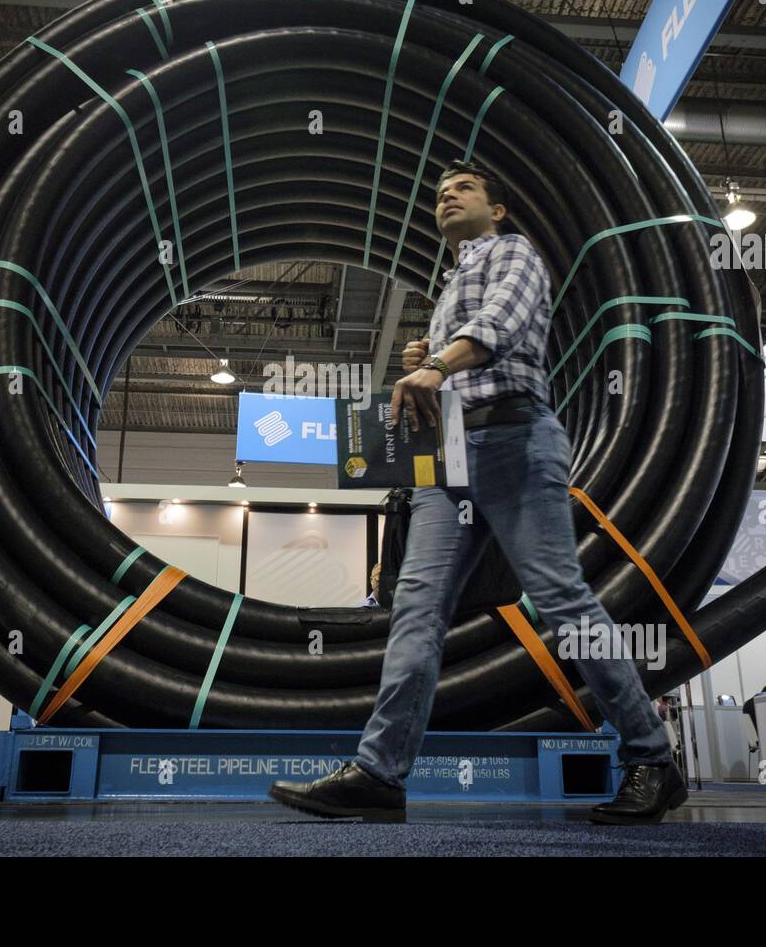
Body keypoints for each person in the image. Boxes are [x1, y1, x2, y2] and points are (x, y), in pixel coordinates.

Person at [269, 159, 681, 825]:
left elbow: (503, 324)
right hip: (451, 461)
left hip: (516, 442)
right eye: (438, 193)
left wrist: (436, 363)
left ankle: (651, 756)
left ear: (498, 209)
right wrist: (427, 355)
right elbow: (462, 346)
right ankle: (379, 773)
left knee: (562, 599)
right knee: (415, 607)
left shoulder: (514, 252)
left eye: (463, 188)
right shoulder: (449, 284)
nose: (446, 197)